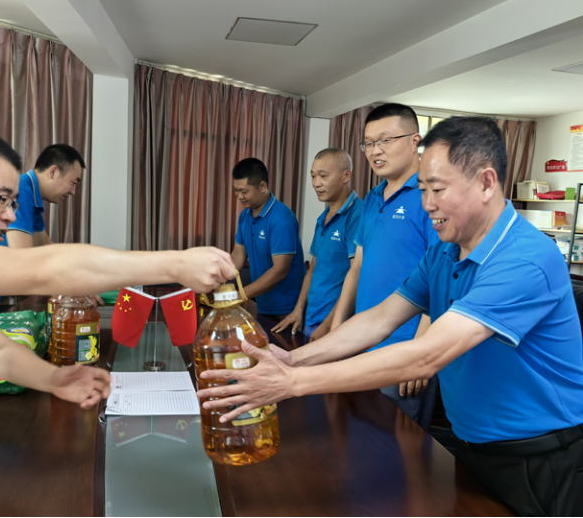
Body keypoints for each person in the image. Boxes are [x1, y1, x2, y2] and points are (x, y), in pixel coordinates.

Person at [198, 117, 583, 517]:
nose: (427, 204)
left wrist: (292, 383)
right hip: (470, 442)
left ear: (486, 183)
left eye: (437, 189)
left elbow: (428, 354)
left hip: (536, 457)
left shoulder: (524, 259)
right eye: (423, 189)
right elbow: (380, 318)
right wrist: (293, 359)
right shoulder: (444, 252)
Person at [0, 129, 236, 408]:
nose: (10, 215)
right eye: (1, 199)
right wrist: (176, 264)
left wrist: (53, 379)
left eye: (13, 203)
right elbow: (42, 269)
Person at [332, 103, 441, 430]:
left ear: (414, 141)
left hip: (404, 349)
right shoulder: (372, 199)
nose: (375, 151)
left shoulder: (431, 197)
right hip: (363, 341)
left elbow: (440, 280)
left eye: (386, 140)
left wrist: (419, 353)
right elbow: (357, 268)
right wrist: (338, 331)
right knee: (359, 437)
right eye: (368, 143)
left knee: (399, 448)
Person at [0, 144, 100, 313]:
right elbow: (24, 258)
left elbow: (45, 245)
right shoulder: (22, 190)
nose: (73, 192)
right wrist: (71, 285)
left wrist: (77, 274)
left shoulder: (30, 193)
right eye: (73, 183)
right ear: (53, 172)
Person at [272, 148, 363, 341]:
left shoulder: (358, 215)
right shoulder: (323, 217)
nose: (316, 183)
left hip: (336, 325)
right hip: (311, 319)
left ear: (346, 176)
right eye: (313, 176)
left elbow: (357, 274)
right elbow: (313, 269)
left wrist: (329, 325)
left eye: (323, 176)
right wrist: (298, 310)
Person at [230, 158, 306, 317]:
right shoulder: (245, 215)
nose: (239, 196)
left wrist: (238, 295)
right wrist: (214, 279)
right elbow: (237, 256)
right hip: (263, 304)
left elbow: (279, 271)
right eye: (236, 190)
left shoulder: (281, 219)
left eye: (244, 191)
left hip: (288, 309)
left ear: (262, 186)